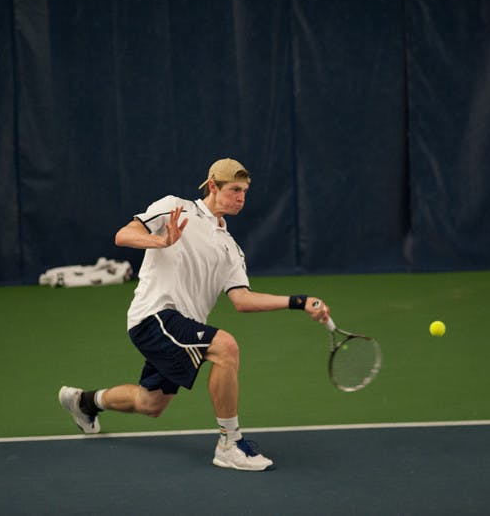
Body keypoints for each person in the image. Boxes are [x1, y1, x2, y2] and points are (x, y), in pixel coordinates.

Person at [59, 158, 329, 471]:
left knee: (151, 404)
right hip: (154, 316)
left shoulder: (231, 248)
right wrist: (161, 240)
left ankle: (85, 402)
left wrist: (298, 302)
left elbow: (242, 299)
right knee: (225, 347)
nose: (241, 197)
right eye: (234, 190)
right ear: (213, 186)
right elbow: (124, 235)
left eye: (244, 191)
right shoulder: (176, 208)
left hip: (181, 327)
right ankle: (229, 442)